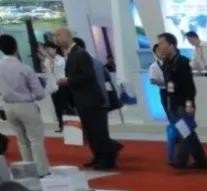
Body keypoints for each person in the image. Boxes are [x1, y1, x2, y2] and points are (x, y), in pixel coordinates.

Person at [54, 27, 119, 169]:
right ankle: (98, 156)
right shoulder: (71, 54)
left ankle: (107, 160)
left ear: (67, 35)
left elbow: (88, 76)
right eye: (54, 36)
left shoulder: (80, 54)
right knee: (90, 132)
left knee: (98, 131)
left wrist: (68, 81)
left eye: (58, 35)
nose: (55, 39)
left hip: (91, 100)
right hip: (82, 100)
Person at [157, 32, 207, 169]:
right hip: (173, 104)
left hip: (184, 104)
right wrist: (169, 101)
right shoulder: (166, 63)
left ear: (171, 45)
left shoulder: (183, 62)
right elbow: (168, 84)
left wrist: (189, 104)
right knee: (188, 133)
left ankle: (180, 160)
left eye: (162, 43)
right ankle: (202, 161)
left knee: (184, 132)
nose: (159, 46)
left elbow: (189, 87)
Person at [0, 34, 49, 175]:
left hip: (8, 107)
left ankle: (28, 171)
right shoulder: (24, 68)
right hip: (26, 105)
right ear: (16, 47)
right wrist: (32, 96)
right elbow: (39, 93)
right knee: (35, 140)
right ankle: (41, 171)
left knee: (22, 141)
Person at [39, 41, 67, 132]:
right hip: (53, 86)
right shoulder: (47, 60)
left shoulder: (60, 59)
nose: (47, 51)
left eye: (49, 49)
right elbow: (47, 71)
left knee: (64, 106)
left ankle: (69, 125)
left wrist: (46, 56)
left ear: (55, 49)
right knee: (57, 107)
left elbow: (55, 68)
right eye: (46, 49)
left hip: (62, 85)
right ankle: (61, 125)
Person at [148, 44, 169, 119]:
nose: (161, 52)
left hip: (177, 90)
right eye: (158, 51)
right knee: (170, 114)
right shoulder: (153, 66)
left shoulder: (172, 63)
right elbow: (152, 81)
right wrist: (165, 82)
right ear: (155, 54)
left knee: (181, 114)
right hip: (165, 91)